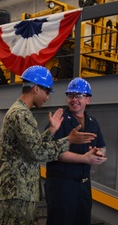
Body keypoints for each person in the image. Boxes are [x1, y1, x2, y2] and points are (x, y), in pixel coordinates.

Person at [0, 65, 97, 225]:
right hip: (18, 191)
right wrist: (69, 140)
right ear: (36, 89)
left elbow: (32, 146)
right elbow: (38, 153)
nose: (48, 97)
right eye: (47, 91)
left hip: (20, 190)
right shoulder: (21, 115)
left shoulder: (21, 112)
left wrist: (51, 130)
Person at [45, 78, 107, 225]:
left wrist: (98, 154)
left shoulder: (92, 122)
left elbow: (102, 146)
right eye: (71, 95)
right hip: (62, 186)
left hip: (84, 187)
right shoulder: (59, 120)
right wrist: (85, 159)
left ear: (88, 100)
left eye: (79, 96)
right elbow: (52, 152)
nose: (74, 99)